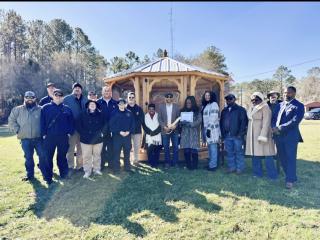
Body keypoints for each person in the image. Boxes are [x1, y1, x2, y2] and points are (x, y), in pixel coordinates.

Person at [8, 91, 47, 182]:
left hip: (38, 138)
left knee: (42, 156)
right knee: (28, 158)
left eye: (31, 97)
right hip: (25, 139)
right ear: (24, 98)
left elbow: (46, 122)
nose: (29, 99)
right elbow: (11, 121)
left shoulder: (41, 109)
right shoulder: (17, 109)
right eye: (27, 97)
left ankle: (45, 174)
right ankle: (30, 175)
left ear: (35, 98)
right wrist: (17, 130)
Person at [271, 86, 305, 189]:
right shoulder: (279, 105)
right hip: (278, 136)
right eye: (285, 93)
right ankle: (290, 175)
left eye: (289, 93)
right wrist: (273, 127)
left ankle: (290, 180)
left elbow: (295, 121)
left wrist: (279, 128)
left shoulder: (298, 106)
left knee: (290, 158)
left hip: (290, 137)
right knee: (282, 158)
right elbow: (273, 118)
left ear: (294, 93)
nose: (286, 95)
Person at [40, 89, 74, 183]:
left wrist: (69, 132)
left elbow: (71, 122)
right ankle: (48, 177)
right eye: (56, 95)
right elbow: (42, 122)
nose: (58, 97)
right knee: (48, 157)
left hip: (63, 137)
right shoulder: (45, 108)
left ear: (62, 97)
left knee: (62, 156)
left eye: (60, 95)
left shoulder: (67, 109)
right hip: (49, 137)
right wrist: (43, 134)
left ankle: (64, 174)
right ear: (53, 96)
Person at [245, 92, 278, 180]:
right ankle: (257, 173)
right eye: (252, 99)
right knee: (255, 155)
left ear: (261, 99)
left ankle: (272, 175)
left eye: (256, 99)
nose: (254, 101)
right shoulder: (251, 108)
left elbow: (267, 122)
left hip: (263, 134)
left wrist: (262, 135)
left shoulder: (265, 107)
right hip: (252, 135)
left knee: (268, 155)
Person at [76, 100, 107, 179]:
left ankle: (96, 169)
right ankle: (87, 171)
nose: (92, 105)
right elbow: (78, 125)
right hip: (86, 139)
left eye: (94, 104)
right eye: (91, 104)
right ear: (88, 106)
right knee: (86, 156)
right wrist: (83, 134)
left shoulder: (101, 114)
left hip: (98, 139)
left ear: (96, 106)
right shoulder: (82, 114)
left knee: (97, 155)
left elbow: (105, 125)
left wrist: (102, 133)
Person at [220, 93, 248, 174]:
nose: (228, 101)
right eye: (227, 99)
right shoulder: (224, 110)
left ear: (234, 99)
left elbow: (244, 123)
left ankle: (240, 168)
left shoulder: (241, 110)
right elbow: (221, 123)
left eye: (230, 99)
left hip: (237, 135)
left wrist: (240, 134)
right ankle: (232, 167)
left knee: (238, 152)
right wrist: (223, 134)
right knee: (229, 152)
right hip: (227, 135)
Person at [63, 82, 87, 172]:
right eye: (75, 88)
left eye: (79, 88)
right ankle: (70, 166)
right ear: (73, 89)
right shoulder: (66, 99)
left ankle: (80, 166)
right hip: (72, 128)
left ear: (81, 90)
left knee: (81, 148)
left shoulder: (85, 99)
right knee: (70, 149)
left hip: (82, 128)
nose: (77, 89)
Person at [109, 98, 135, 173]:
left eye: (123, 103)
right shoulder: (114, 113)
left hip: (127, 136)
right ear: (118, 105)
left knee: (127, 152)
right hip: (117, 136)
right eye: (120, 104)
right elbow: (111, 124)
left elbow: (132, 124)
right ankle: (116, 168)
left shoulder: (129, 113)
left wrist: (129, 131)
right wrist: (119, 132)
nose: (122, 105)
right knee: (117, 152)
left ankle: (127, 168)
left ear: (125, 104)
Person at [97, 85, 119, 170]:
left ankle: (111, 164)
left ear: (111, 92)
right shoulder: (97, 103)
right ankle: (101, 165)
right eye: (105, 91)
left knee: (111, 148)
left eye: (108, 91)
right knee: (101, 149)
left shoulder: (115, 103)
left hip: (112, 130)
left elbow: (117, 117)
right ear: (102, 92)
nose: (107, 92)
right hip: (101, 130)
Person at [158, 92, 181, 168]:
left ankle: (175, 162)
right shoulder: (161, 107)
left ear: (172, 99)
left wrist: (175, 125)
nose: (169, 99)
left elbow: (179, 118)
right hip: (165, 130)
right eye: (167, 98)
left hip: (174, 130)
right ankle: (167, 162)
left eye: (170, 98)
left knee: (175, 147)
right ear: (165, 99)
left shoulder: (176, 107)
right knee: (166, 147)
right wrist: (164, 127)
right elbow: (159, 118)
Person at [180, 96, 202, 170]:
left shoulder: (197, 111)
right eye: (187, 103)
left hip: (193, 133)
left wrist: (191, 124)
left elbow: (199, 120)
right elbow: (179, 121)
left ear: (193, 103)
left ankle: (195, 166)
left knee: (193, 149)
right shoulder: (183, 110)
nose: (188, 104)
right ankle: (188, 165)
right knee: (186, 150)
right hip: (185, 133)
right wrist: (182, 123)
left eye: (189, 103)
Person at [201, 91, 221, 171]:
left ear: (212, 96)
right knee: (209, 147)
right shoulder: (206, 105)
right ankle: (211, 164)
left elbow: (214, 117)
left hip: (212, 129)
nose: (207, 97)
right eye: (205, 95)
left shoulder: (214, 104)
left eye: (208, 95)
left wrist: (209, 129)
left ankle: (213, 166)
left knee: (213, 148)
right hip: (207, 128)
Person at [126, 92, 144, 166]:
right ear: (127, 98)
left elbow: (141, 119)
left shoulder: (139, 109)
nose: (131, 99)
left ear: (135, 98)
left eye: (132, 97)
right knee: (128, 147)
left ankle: (136, 161)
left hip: (137, 131)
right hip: (127, 131)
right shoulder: (125, 108)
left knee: (136, 146)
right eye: (129, 97)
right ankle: (128, 161)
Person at [144, 103, 162, 168]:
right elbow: (144, 126)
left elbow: (160, 125)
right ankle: (151, 163)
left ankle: (156, 163)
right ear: (148, 109)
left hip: (157, 136)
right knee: (149, 151)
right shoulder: (145, 116)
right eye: (150, 109)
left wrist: (155, 132)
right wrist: (150, 132)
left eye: (153, 109)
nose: (151, 110)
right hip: (149, 136)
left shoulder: (158, 115)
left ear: (155, 109)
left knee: (156, 151)